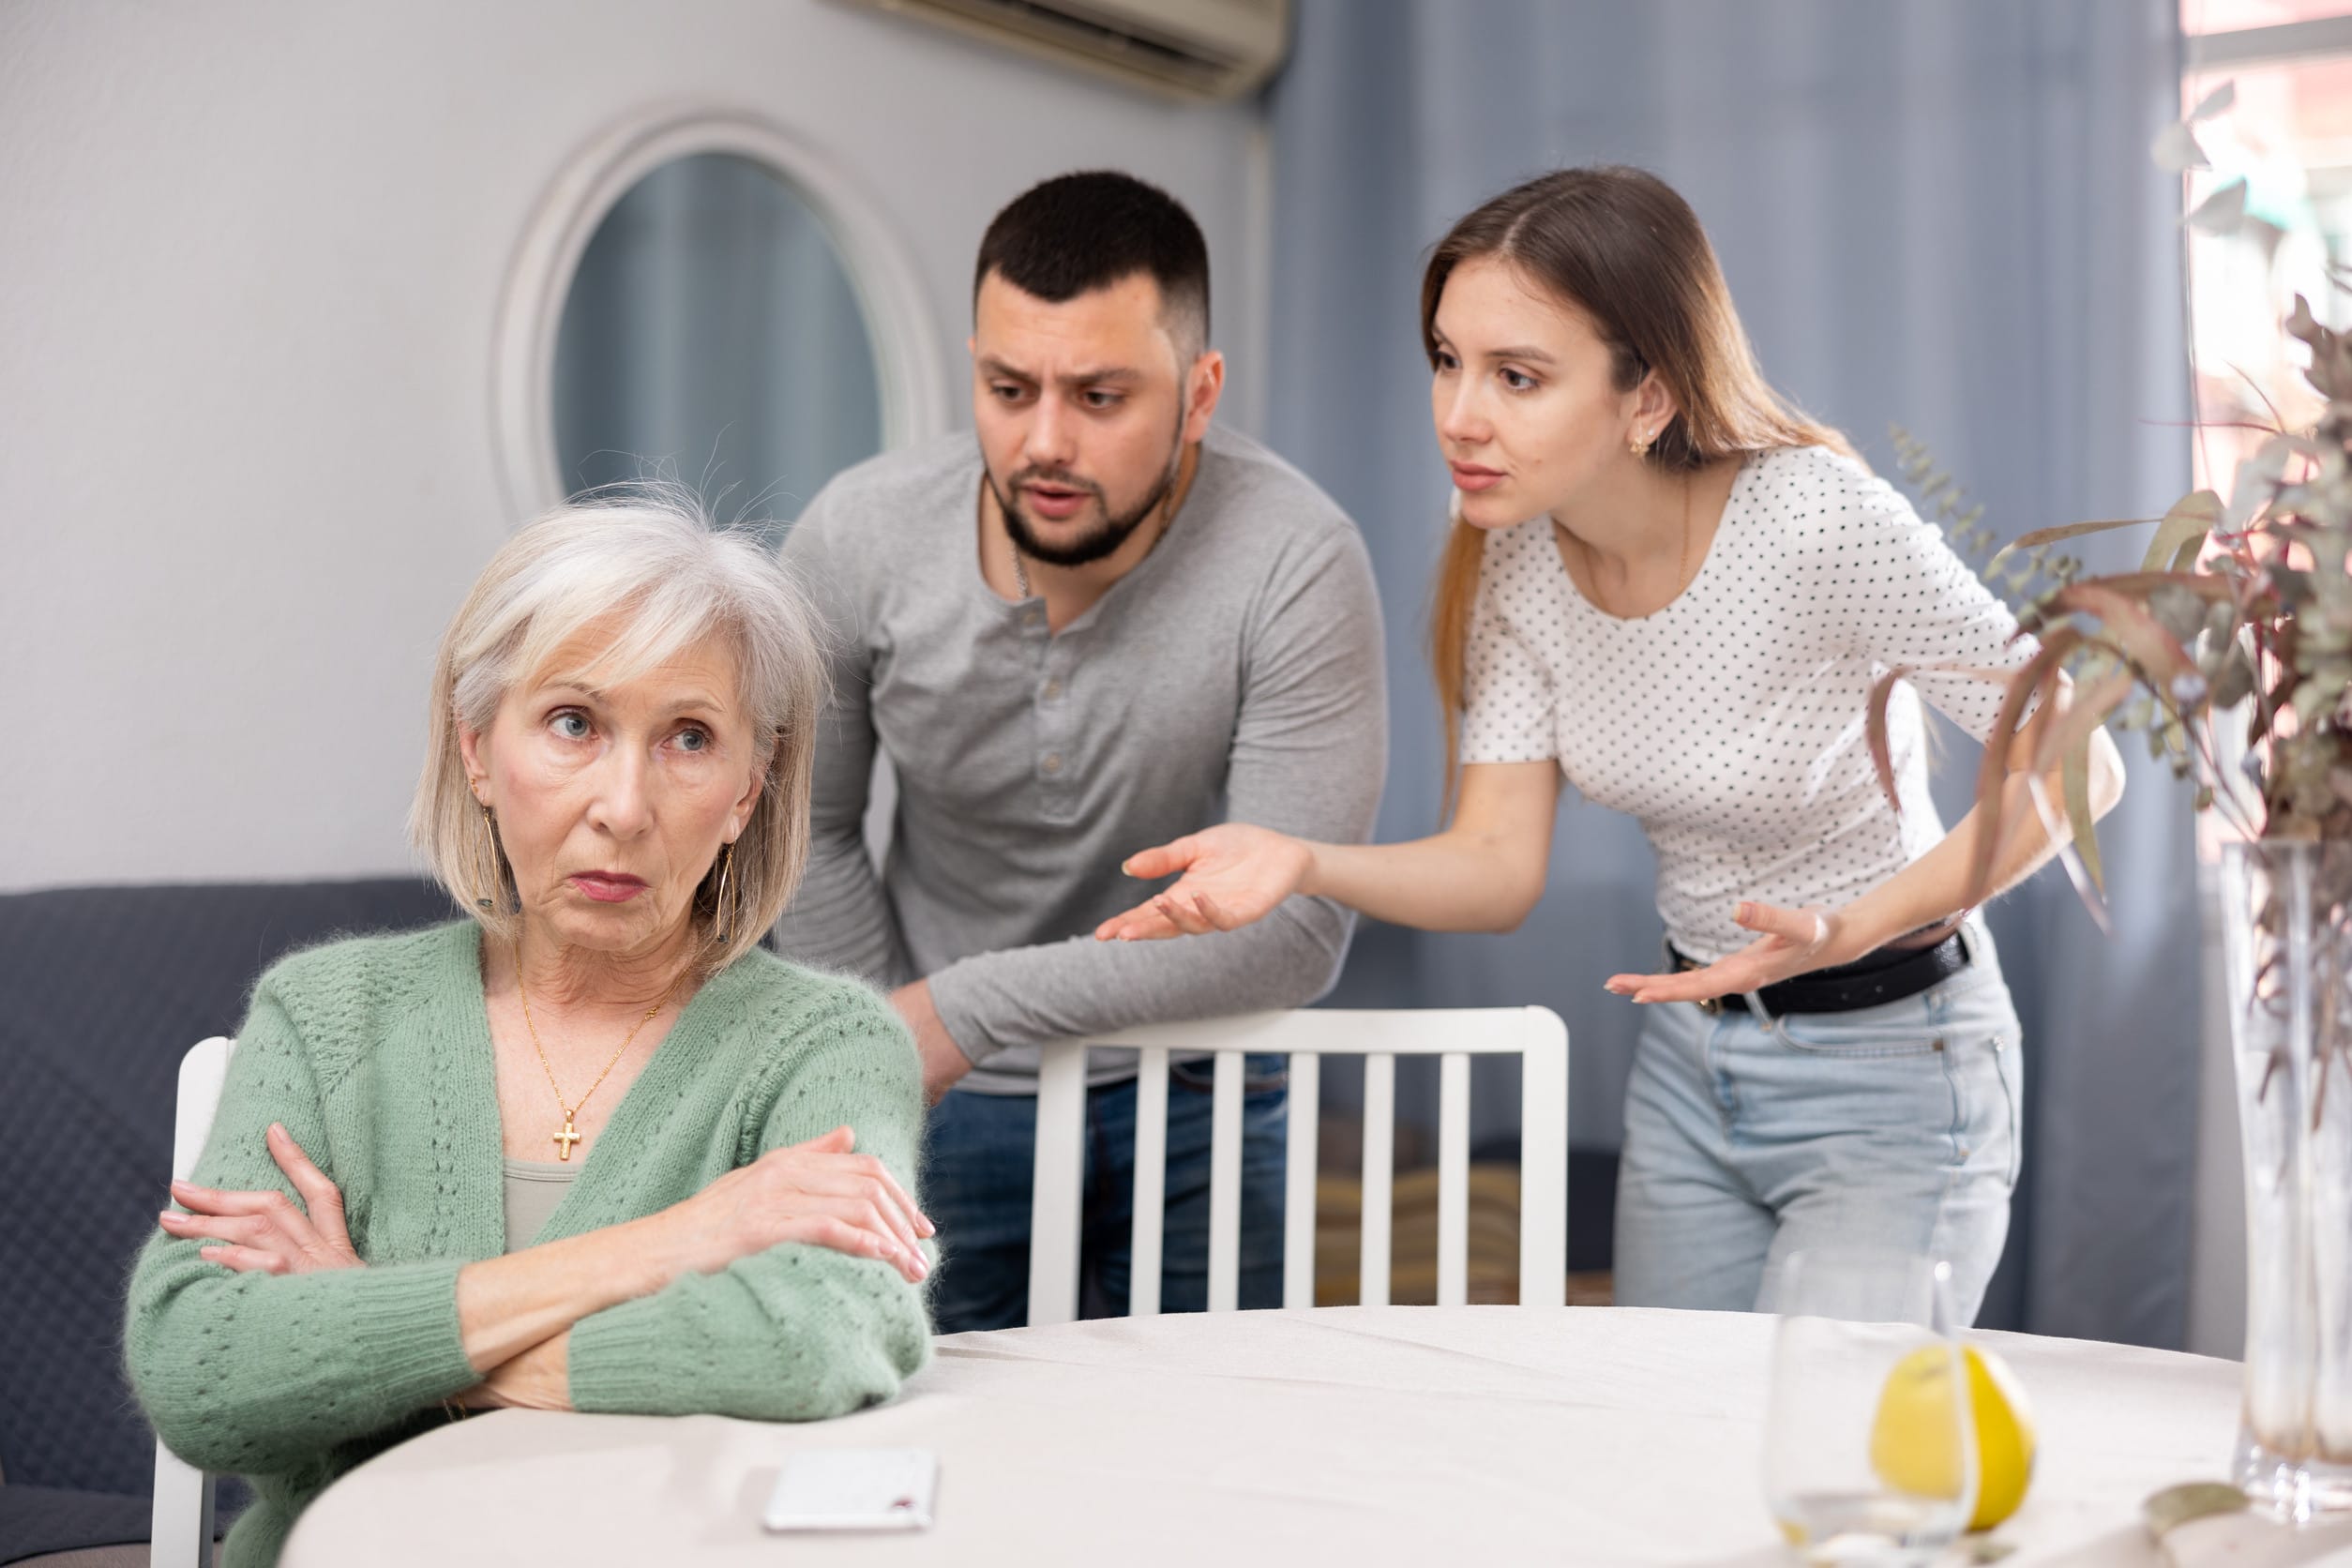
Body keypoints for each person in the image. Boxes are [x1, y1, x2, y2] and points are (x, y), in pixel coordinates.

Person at [1095, 166, 2125, 1324]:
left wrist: (1847, 928)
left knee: (1828, 1430)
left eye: (1517, 376)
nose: (1459, 416)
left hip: (1896, 1067)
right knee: (1663, 1424)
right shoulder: (1512, 545)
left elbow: (2079, 763)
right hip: (1692, 1068)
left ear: (1649, 398)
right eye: (1446, 359)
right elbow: (1495, 863)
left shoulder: (1814, 519)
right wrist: (1302, 861)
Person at [124, 493, 935, 1567]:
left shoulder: (828, 1045)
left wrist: (365, 1325)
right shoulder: (328, 1015)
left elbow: (817, 1339)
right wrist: (675, 1241)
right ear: (476, 749)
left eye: (690, 738)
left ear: (750, 788)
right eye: (573, 723)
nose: (623, 806)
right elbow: (198, 1368)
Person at [772, 170, 1385, 1331]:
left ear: (1199, 394)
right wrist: (886, 1040)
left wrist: (965, 1006)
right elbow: (807, 825)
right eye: (1009, 389)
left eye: (1101, 397)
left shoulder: (1298, 558)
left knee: (1226, 1424)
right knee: (934, 1418)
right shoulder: (859, 535)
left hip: (1200, 1077)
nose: (1044, 442)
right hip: (937, 1085)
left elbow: (1296, 931)